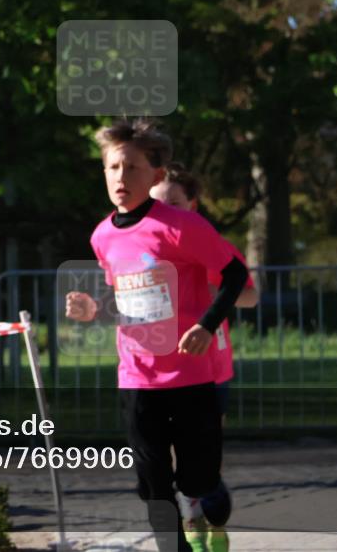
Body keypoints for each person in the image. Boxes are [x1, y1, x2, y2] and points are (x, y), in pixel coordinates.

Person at [65, 119, 248, 552]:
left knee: (197, 480)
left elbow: (236, 273)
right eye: (112, 168)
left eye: (131, 168)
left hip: (191, 378)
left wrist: (206, 324)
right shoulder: (102, 236)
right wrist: (94, 310)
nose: (120, 178)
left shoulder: (181, 227)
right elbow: (123, 299)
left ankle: (212, 499)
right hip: (137, 376)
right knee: (152, 484)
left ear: (157, 176)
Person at [151, 162, 259, 552]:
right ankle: (192, 514)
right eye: (158, 202)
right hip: (164, 367)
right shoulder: (145, 247)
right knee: (174, 446)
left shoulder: (214, 245)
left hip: (212, 368)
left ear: (192, 205)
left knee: (205, 446)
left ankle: (209, 511)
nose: (166, 210)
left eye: (175, 203)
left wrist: (218, 292)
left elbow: (250, 294)